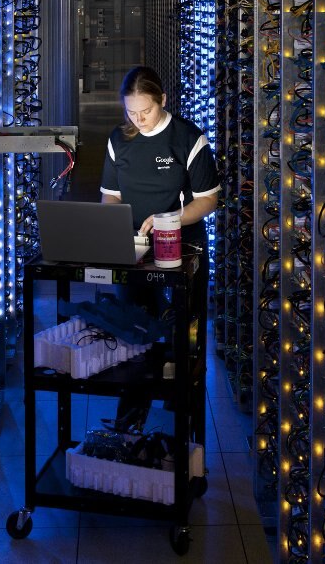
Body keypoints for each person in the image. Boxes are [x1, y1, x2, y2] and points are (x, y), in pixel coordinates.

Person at [99, 65, 219, 431]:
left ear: (162, 100)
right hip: (135, 249)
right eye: (131, 112)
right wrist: (116, 227)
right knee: (134, 329)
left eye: (146, 111)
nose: (139, 119)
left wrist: (169, 219)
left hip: (184, 248)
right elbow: (111, 196)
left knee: (186, 331)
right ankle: (130, 420)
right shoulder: (120, 140)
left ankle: (184, 416)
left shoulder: (187, 139)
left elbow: (208, 200)